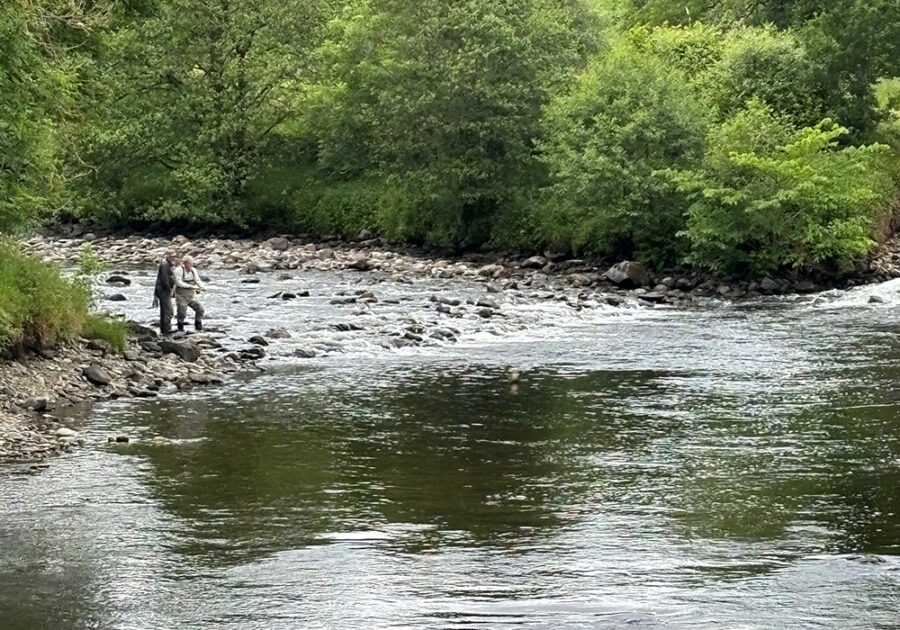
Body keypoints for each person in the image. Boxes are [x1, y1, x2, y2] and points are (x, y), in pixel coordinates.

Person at [174, 255, 205, 332]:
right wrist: (190, 286)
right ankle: (180, 329)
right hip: (181, 296)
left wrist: (202, 287)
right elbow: (178, 283)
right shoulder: (179, 270)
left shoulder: (193, 270)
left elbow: (197, 280)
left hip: (192, 296)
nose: (192, 265)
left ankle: (198, 325)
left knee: (200, 309)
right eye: (191, 263)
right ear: (186, 263)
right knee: (182, 314)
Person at [153, 251, 177, 334]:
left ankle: (163, 329)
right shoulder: (165, 264)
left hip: (161, 290)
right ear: (168, 256)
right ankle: (167, 329)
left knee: (164, 311)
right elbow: (164, 279)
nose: (174, 258)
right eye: (172, 256)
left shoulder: (167, 264)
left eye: (174, 256)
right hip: (163, 290)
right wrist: (169, 289)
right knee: (169, 310)